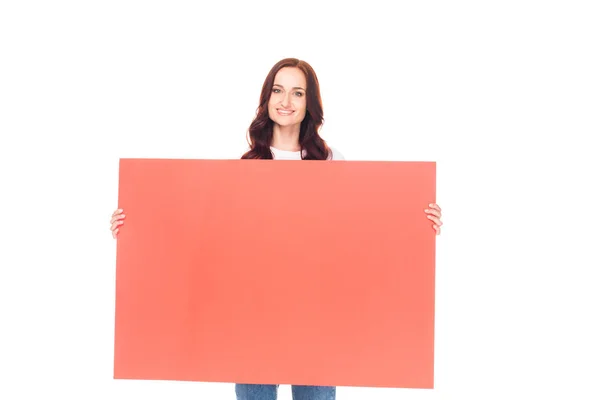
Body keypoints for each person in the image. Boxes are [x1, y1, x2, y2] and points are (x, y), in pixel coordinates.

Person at [109, 57, 443, 400]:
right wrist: (137, 229)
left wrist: (416, 223)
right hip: (254, 317)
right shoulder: (247, 165)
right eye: (278, 91)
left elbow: (361, 235)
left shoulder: (331, 161)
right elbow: (208, 240)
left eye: (297, 93)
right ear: (267, 99)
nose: (286, 101)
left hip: (317, 317)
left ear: (308, 104)